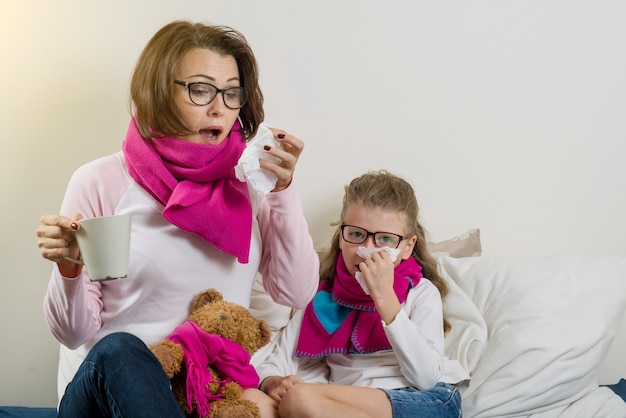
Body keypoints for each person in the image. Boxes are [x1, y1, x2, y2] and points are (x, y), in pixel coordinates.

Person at [35, 20, 319, 418]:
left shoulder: (252, 183)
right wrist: (68, 270)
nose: (219, 107)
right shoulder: (100, 180)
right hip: (108, 394)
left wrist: (283, 192)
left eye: (231, 92)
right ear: (157, 91)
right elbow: (74, 333)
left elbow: (296, 292)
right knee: (120, 347)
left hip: (205, 396)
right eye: (201, 89)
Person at [257, 170, 470, 418]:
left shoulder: (421, 293)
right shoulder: (322, 297)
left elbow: (426, 378)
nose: (365, 250)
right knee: (253, 400)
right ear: (341, 236)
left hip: (423, 399)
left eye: (385, 240)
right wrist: (271, 382)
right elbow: (274, 362)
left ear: (406, 247)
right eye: (357, 234)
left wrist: (384, 296)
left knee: (302, 399)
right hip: (343, 405)